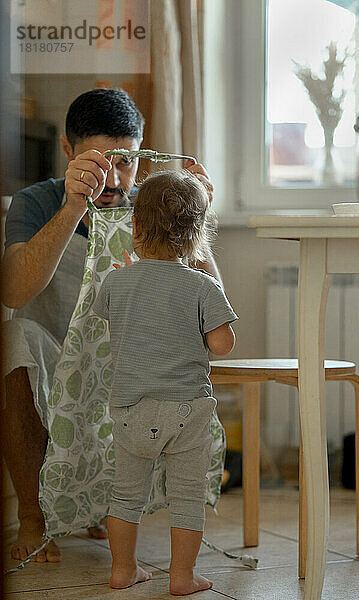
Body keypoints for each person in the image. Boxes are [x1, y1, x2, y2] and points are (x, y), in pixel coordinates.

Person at [2, 88, 219, 564]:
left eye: (128, 162)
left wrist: (199, 222)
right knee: (11, 341)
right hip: (55, 352)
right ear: (67, 150)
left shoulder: (155, 206)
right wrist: (74, 207)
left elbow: (208, 306)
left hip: (128, 360)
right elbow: (14, 293)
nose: (115, 178)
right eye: (100, 162)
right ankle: (33, 515)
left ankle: (106, 505)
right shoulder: (35, 202)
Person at [92, 169, 237, 595]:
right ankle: (182, 576)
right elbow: (223, 345)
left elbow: (113, 320)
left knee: (125, 496)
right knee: (187, 497)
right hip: (185, 411)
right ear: (198, 236)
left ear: (135, 227)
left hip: (130, 409)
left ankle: (122, 570)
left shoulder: (116, 280)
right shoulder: (203, 285)